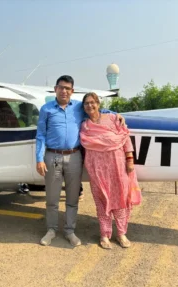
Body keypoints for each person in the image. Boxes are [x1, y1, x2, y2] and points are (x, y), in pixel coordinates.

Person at [36, 75, 125, 247]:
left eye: (67, 88)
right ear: (55, 89)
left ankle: (70, 231)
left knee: (72, 198)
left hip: (75, 156)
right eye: (61, 87)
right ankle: (51, 230)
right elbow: (40, 135)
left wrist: (116, 114)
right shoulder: (46, 109)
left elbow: (97, 110)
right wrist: (39, 159)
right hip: (53, 156)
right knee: (52, 197)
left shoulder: (78, 106)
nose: (64, 91)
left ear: (72, 91)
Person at [80, 92, 142, 249]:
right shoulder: (85, 125)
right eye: (86, 103)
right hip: (97, 170)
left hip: (117, 166)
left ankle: (121, 233)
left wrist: (130, 159)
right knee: (101, 202)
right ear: (83, 107)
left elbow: (125, 137)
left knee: (120, 200)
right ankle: (104, 234)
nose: (90, 106)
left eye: (92, 102)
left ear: (98, 104)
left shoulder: (113, 119)